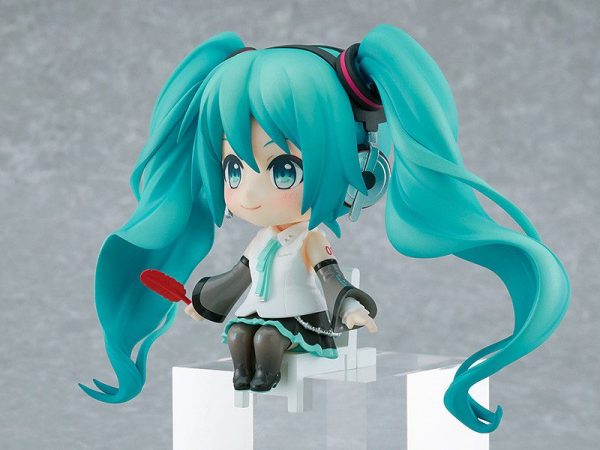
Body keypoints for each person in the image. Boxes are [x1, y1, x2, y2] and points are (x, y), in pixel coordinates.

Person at [80, 24, 570, 433]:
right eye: (233, 169)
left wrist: (350, 306)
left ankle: (263, 381)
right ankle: (249, 387)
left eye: (283, 170)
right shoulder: (261, 241)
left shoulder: (310, 238)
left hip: (299, 319)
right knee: (239, 338)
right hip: (259, 313)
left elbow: (328, 275)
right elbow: (241, 275)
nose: (248, 193)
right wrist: (205, 303)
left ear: (364, 171)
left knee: (266, 343)